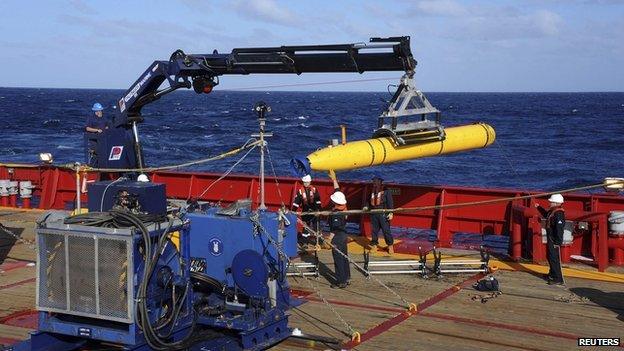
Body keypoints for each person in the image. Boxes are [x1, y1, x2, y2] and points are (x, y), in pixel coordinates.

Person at [535, 194, 566, 286]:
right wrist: (539, 207)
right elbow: (546, 215)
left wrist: (558, 242)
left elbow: (559, 229)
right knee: (550, 256)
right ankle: (552, 273)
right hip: (551, 238)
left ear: (556, 203)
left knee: (554, 258)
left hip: (554, 240)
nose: (549, 203)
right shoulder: (552, 212)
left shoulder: (558, 214)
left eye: (551, 202)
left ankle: (558, 278)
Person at [327, 170, 350, 289]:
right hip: (344, 234)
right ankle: (347, 277)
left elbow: (335, 228)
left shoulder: (336, 214)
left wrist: (328, 240)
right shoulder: (344, 207)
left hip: (338, 237)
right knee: (345, 257)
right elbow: (337, 190)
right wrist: (334, 179)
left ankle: (341, 281)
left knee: (338, 258)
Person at [365, 175, 395, 255]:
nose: (374, 182)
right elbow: (368, 201)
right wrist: (366, 207)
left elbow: (390, 203)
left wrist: (391, 213)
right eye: (373, 181)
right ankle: (374, 245)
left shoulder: (386, 191)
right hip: (373, 213)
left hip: (383, 213)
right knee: (374, 231)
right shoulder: (371, 190)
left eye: (375, 181)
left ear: (380, 181)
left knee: (386, 231)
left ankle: (390, 246)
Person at [291, 174, 322, 244]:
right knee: (305, 228)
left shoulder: (314, 190)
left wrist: (318, 210)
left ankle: (320, 241)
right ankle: (305, 242)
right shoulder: (300, 192)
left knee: (316, 227)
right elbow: (296, 202)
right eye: (305, 182)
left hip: (315, 212)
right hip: (305, 212)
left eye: (307, 182)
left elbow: (318, 201)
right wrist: (293, 211)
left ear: (310, 182)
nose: (306, 184)